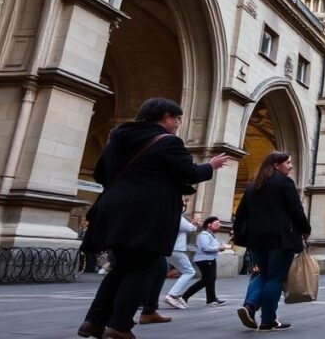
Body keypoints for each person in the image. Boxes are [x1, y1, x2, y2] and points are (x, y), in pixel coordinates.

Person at [77, 98, 227, 339]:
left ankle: (93, 322)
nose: (177, 124)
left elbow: (100, 173)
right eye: (177, 119)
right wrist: (210, 166)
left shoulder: (117, 138)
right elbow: (190, 173)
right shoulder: (168, 141)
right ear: (166, 117)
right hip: (146, 214)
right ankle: (119, 326)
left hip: (113, 211)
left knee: (121, 267)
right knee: (142, 268)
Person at [234, 151, 311, 332]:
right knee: (275, 278)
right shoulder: (284, 183)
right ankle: (268, 321)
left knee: (262, 274)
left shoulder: (253, 186)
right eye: (288, 163)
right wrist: (305, 229)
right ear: (276, 165)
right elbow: (296, 210)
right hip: (280, 239)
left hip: (256, 239)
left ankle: (249, 306)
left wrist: (240, 236)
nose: (290, 166)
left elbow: (240, 214)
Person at [181, 216, 228, 306]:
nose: (219, 225)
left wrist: (220, 246)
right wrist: (218, 248)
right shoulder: (204, 235)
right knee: (206, 280)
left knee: (211, 279)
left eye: (219, 223)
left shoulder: (212, 235)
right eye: (217, 223)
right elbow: (205, 248)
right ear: (209, 225)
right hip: (204, 259)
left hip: (210, 259)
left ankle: (211, 299)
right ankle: (184, 296)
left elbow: (212, 246)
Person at [163, 199, 198, 309]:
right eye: (183, 205)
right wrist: (194, 223)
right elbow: (190, 228)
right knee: (189, 271)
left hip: (170, 248)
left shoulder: (168, 215)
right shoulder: (177, 217)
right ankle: (172, 294)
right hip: (177, 248)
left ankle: (175, 295)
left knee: (185, 270)